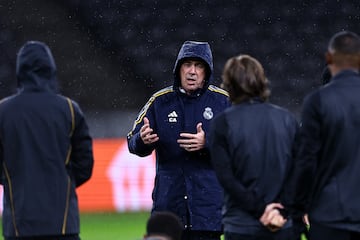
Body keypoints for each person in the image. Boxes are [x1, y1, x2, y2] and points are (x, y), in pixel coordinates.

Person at [127, 40, 231, 240]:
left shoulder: (224, 102)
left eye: (198, 65)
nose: (192, 71)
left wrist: (208, 143)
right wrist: (142, 140)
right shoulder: (159, 101)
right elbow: (132, 140)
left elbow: (240, 147)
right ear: (178, 68)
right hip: (169, 210)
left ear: (207, 71)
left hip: (207, 213)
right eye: (187, 65)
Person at [0, 41, 94, 240]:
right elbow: (85, 165)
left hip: (19, 225)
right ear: (50, 69)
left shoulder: (3, 111)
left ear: (20, 71)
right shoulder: (69, 109)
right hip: (62, 225)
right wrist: (60, 184)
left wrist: (16, 183)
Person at [208, 54, 303, 240]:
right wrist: (280, 211)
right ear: (261, 80)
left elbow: (227, 178)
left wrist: (260, 210)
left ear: (229, 84)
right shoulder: (288, 119)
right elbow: (300, 172)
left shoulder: (222, 123)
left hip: (242, 226)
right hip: (283, 224)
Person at [288, 31, 360, 240]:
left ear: (329, 58)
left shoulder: (318, 101)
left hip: (329, 215)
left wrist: (297, 211)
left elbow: (306, 161)